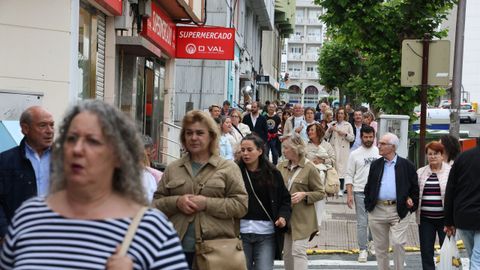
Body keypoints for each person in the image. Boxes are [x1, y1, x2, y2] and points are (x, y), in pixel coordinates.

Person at [0, 100, 188, 269]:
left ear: (118, 156)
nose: (77, 149)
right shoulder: (29, 215)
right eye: (71, 138)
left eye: (93, 141)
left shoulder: (150, 228)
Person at [153, 110, 248, 268]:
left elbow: (241, 205)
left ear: (211, 136)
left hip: (216, 252)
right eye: (189, 133)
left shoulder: (228, 168)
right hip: (176, 250)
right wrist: (177, 202)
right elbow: (155, 204)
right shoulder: (173, 168)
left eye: (199, 133)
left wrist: (206, 203)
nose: (193, 138)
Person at [364, 133, 419, 270]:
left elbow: (415, 189)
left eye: (383, 143)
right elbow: (369, 187)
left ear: (393, 147)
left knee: (398, 243)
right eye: (380, 143)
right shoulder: (376, 165)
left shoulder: (407, 165)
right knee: (380, 248)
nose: (379, 146)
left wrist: (411, 202)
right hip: (377, 210)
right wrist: (368, 204)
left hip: (398, 210)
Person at [238, 134, 292, 270]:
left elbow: (285, 199)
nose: (245, 153)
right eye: (242, 150)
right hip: (239, 233)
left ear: (260, 151)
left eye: (249, 150)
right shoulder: (234, 172)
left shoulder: (273, 174)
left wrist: (283, 217)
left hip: (266, 234)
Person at [0, 106, 54, 238]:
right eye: (42, 125)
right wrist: (5, 234)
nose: (50, 131)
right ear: (25, 129)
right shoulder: (5, 160)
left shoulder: (66, 159)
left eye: (52, 125)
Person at [277, 134, 325, 270]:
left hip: (303, 219)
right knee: (287, 254)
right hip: (286, 217)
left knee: (298, 251)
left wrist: (305, 195)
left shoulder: (310, 168)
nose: (283, 151)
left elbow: (321, 193)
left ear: (295, 149)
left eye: (286, 148)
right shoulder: (281, 167)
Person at [344, 126, 380, 262]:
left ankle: (372, 243)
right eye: (366, 137)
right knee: (362, 222)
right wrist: (349, 195)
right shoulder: (354, 154)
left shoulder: (379, 152)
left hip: (377, 192)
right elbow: (349, 175)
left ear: (374, 137)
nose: (368, 139)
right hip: (359, 191)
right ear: (361, 137)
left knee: (375, 221)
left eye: (371, 137)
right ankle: (362, 249)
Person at [416, 142, 451, 270]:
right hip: (425, 219)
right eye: (429, 154)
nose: (432, 157)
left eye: (436, 154)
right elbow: (414, 192)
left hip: (445, 220)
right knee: (426, 251)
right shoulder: (420, 172)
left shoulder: (451, 172)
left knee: (447, 252)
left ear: (442, 155)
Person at [444, 145, 480, 268]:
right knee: (477, 258)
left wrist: (448, 221)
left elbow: (450, 190)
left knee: (473, 256)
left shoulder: (463, 158)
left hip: (464, 215)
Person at [305, 123, 335, 231]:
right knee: (308, 199)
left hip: (322, 178)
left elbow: (333, 160)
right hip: (308, 177)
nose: (309, 132)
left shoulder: (327, 146)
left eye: (312, 130)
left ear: (318, 131)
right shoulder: (305, 145)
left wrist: (322, 161)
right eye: (308, 130)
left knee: (320, 201)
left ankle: (316, 225)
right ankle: (308, 223)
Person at [325, 107, 354, 196]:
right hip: (334, 148)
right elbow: (325, 136)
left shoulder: (348, 125)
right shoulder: (332, 124)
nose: (340, 115)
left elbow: (352, 138)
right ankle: (333, 188)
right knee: (334, 169)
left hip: (343, 149)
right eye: (339, 113)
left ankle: (341, 188)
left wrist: (345, 134)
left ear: (345, 115)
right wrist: (330, 130)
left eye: (342, 113)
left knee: (342, 170)